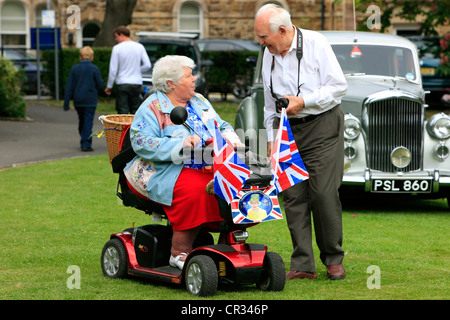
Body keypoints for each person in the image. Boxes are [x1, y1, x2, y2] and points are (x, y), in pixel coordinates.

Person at [254, 4, 348, 280]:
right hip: (286, 130)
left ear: (282, 30)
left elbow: (338, 86)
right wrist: (272, 143)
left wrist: (304, 101)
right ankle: (303, 264)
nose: (260, 42)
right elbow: (269, 105)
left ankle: (333, 257)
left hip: (322, 125)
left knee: (323, 193)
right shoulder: (268, 55)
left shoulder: (316, 43)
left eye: (263, 37)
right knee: (293, 196)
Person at [123, 55, 244, 269]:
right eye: (189, 75)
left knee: (239, 185)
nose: (194, 79)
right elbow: (141, 142)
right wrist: (181, 144)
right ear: (171, 83)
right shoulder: (152, 107)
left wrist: (231, 138)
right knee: (196, 191)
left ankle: (229, 244)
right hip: (168, 168)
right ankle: (179, 252)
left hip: (209, 163)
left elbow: (221, 124)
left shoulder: (199, 100)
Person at [63, 46, 104, 152]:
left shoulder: (75, 69)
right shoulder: (94, 69)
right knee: (88, 121)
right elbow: (99, 84)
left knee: (82, 120)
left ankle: (83, 136)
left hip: (78, 100)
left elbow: (69, 86)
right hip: (90, 100)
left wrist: (66, 102)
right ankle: (86, 143)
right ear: (92, 57)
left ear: (80, 57)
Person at [105, 25, 151, 114]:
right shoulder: (139, 46)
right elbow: (147, 65)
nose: (115, 39)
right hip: (136, 83)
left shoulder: (117, 48)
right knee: (135, 111)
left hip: (122, 82)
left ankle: (124, 128)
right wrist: (137, 70)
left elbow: (113, 70)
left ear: (121, 34)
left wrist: (109, 86)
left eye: (116, 36)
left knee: (122, 111)